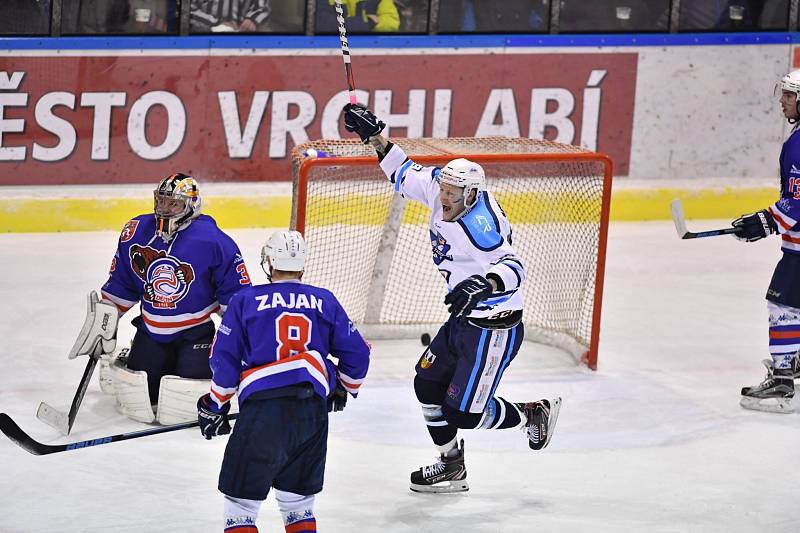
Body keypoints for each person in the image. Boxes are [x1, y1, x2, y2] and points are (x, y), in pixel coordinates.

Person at [342, 103, 562, 493]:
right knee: (426, 386)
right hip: (462, 318)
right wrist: (373, 135)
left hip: (494, 328)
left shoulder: (482, 226)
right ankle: (451, 465)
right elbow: (403, 170)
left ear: (471, 194)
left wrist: (485, 284)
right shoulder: (441, 186)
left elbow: (514, 267)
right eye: (442, 189)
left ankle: (532, 413)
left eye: (452, 194)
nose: (443, 198)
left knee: (463, 415)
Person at [197, 230, 371, 532]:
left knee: (240, 503)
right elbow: (358, 354)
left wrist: (215, 404)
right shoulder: (324, 300)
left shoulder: (245, 301)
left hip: (264, 411)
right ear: (302, 266)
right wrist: (342, 388)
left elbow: (224, 359)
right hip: (311, 415)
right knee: (297, 503)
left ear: (268, 262)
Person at [72, 173, 251, 424]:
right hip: (151, 331)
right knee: (143, 392)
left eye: (174, 204)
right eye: (161, 201)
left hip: (195, 333)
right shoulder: (136, 231)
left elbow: (235, 294)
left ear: (191, 206)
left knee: (188, 393)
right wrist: (105, 322)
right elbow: (123, 281)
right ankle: (132, 353)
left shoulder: (213, 241)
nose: (164, 209)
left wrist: (242, 341)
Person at [733, 70, 800, 414]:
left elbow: (797, 202)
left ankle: (784, 378)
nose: (782, 100)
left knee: (782, 304)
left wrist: (763, 221)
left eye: (790, 95)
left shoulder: (799, 144)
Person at [316, 0, 400, 33]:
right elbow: (323, 24)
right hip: (335, 49)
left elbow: (392, 23)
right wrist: (368, 22)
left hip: (370, 48)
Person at [190, 0, 270, 33]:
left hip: (243, 41)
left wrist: (252, 19)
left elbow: (262, 8)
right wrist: (216, 23)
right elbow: (187, 11)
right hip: (206, 39)